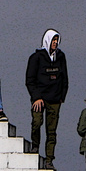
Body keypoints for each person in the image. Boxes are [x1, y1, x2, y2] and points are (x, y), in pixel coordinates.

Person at [25, 29, 69, 163]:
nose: (55, 43)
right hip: (39, 98)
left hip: (55, 99)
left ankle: (49, 159)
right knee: (37, 123)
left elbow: (65, 78)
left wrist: (62, 96)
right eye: (53, 40)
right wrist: (36, 97)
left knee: (52, 131)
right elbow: (30, 80)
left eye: (57, 40)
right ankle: (35, 146)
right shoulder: (36, 57)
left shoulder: (61, 57)